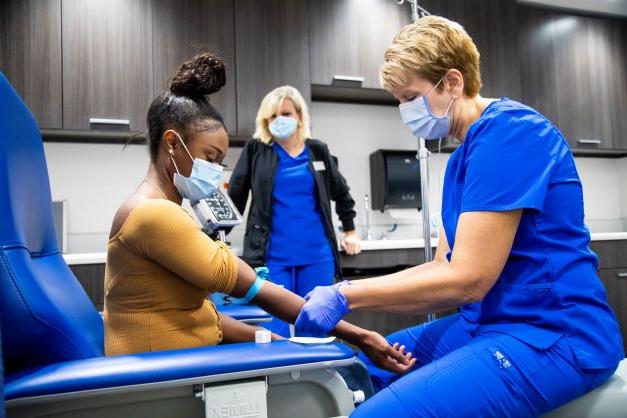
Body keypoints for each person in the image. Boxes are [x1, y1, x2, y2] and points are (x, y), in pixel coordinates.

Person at [294, 16, 624, 417]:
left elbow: (468, 279)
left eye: (409, 97)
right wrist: (344, 292)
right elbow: (443, 266)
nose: (404, 111)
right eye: (398, 100)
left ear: (452, 82)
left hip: (553, 334)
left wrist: (347, 295)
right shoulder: (459, 159)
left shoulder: (512, 133)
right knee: (358, 372)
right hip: (485, 322)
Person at [103, 53, 413, 378]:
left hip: (182, 359)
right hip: (163, 380)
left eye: (219, 161)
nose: (215, 170)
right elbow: (256, 290)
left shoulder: (158, 211)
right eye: (210, 156)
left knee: (314, 360)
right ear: (171, 143)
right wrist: (361, 337)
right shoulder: (155, 216)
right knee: (328, 377)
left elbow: (202, 316)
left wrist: (277, 343)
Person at [228, 85, 361, 337]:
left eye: (286, 114)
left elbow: (341, 193)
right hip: (272, 260)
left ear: (300, 116)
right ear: (265, 121)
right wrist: (214, 236)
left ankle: (322, 376)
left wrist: (350, 230)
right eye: (273, 116)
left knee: (318, 329)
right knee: (272, 331)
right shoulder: (256, 150)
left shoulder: (317, 150)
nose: (280, 121)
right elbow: (235, 197)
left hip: (317, 257)